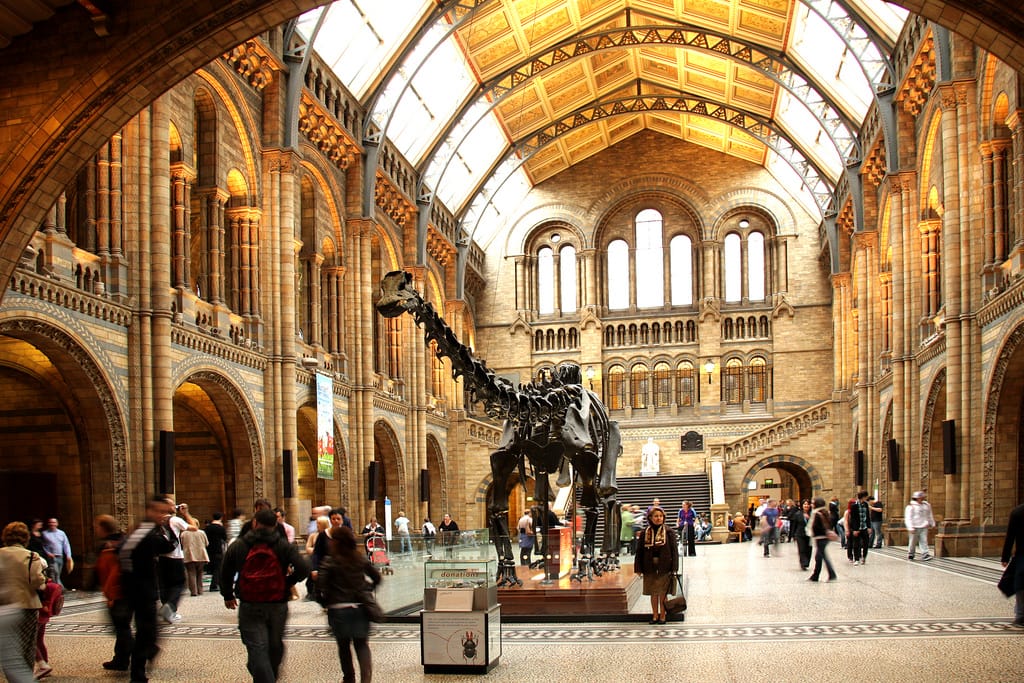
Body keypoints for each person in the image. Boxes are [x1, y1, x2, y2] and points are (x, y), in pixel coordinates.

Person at [220, 508, 309, 683]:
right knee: (274, 645)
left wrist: (227, 595)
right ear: (276, 524)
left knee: (257, 648)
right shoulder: (284, 545)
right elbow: (304, 568)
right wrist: (288, 582)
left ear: (254, 523)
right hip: (277, 603)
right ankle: (269, 676)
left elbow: (225, 571)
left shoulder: (239, 545)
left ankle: (263, 675)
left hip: (249, 603)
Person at [119, 495, 178, 683]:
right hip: (142, 591)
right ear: (150, 511)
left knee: (148, 631)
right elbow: (170, 546)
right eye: (160, 512)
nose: (163, 515)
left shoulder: (140, 531)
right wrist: (169, 528)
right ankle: (138, 672)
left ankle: (141, 663)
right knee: (146, 633)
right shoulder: (147, 534)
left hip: (137, 590)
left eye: (165, 512)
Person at [317, 526, 382, 683]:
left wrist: (326, 602)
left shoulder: (330, 560)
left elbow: (319, 586)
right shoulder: (359, 558)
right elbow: (377, 577)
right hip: (360, 608)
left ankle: (349, 678)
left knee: (344, 646)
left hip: (338, 610)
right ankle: (366, 680)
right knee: (362, 645)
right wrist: (367, 589)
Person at [0, 521, 47, 683]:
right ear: (25, 538)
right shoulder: (31, 556)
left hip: (3, 606)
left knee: (7, 648)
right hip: (27, 606)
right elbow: (37, 582)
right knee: (26, 647)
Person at [92, 514, 131, 673]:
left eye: (97, 526)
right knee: (122, 627)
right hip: (124, 592)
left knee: (121, 628)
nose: (95, 529)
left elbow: (115, 572)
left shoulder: (111, 546)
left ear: (103, 528)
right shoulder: (122, 541)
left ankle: (142, 650)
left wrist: (112, 594)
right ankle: (120, 659)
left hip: (119, 593)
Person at [633, 507, 678, 624]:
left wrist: (674, 568)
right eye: (656, 516)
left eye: (660, 516)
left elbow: (674, 551)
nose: (658, 518)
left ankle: (663, 615)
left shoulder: (669, 532)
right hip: (649, 566)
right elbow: (639, 551)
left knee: (663, 592)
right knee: (653, 592)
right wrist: (638, 567)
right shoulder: (644, 532)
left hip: (665, 566)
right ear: (650, 518)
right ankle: (654, 615)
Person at [159, 499, 197, 623]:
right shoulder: (175, 520)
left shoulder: (156, 520)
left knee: (164, 584)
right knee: (179, 584)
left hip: (161, 558)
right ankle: (170, 607)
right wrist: (186, 513)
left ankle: (166, 609)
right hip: (175, 557)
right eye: (172, 504)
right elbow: (194, 527)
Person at [34, 566, 62, 678]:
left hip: (38, 615)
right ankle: (45, 663)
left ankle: (42, 665)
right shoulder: (52, 585)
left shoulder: (42, 586)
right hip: (45, 616)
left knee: (31, 641)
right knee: (39, 640)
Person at [1000, 502, 1024, 626]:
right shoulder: (1018, 512)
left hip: (1021, 554)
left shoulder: (1017, 512)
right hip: (1021, 555)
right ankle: (1020, 614)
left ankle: (1020, 614)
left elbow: (1010, 536)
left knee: (1021, 584)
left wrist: (1005, 557)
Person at [807, 497, 837, 582]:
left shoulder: (817, 513)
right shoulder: (825, 512)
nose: (811, 505)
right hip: (824, 538)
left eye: (813, 503)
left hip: (820, 537)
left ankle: (831, 574)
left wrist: (812, 532)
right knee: (818, 557)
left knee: (822, 556)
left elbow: (816, 526)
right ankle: (815, 576)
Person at [40, 518, 72, 588]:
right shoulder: (44, 533)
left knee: (57, 574)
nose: (52, 524)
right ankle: (61, 589)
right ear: (48, 524)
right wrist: (47, 553)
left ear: (57, 524)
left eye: (54, 522)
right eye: (50, 522)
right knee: (54, 573)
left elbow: (66, 544)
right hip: (52, 557)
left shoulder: (61, 533)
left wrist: (68, 555)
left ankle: (56, 589)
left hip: (60, 556)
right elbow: (43, 545)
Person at [904, 490, 936, 561]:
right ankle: (911, 553)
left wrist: (932, 523)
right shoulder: (911, 506)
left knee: (924, 540)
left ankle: (925, 554)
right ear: (917, 498)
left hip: (924, 526)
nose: (922, 499)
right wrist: (910, 527)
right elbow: (908, 518)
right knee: (913, 541)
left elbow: (929, 515)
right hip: (914, 527)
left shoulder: (926, 505)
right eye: (921, 497)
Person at [180, 523, 209, 597]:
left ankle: (194, 591)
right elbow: (206, 543)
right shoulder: (202, 532)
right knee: (200, 573)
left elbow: (182, 544)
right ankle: (200, 590)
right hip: (201, 554)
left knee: (191, 573)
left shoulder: (183, 534)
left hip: (189, 554)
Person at [205, 513, 227, 592]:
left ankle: (217, 584)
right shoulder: (220, 528)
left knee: (213, 567)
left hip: (209, 549)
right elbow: (225, 538)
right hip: (218, 549)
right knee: (218, 568)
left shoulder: (207, 528)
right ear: (221, 518)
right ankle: (214, 585)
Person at [848, 491, 871, 565]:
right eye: (866, 496)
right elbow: (853, 518)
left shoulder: (866, 505)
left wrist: (869, 527)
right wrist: (854, 529)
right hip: (857, 528)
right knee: (856, 544)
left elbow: (867, 516)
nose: (867, 498)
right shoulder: (854, 506)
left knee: (866, 543)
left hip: (864, 527)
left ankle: (864, 557)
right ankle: (856, 559)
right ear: (863, 497)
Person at [790, 499, 812, 570]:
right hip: (800, 534)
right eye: (805, 504)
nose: (806, 506)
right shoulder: (798, 514)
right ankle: (803, 563)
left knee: (809, 549)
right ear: (802, 506)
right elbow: (794, 525)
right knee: (802, 549)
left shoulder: (812, 514)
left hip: (809, 534)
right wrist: (793, 535)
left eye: (807, 504)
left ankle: (807, 562)